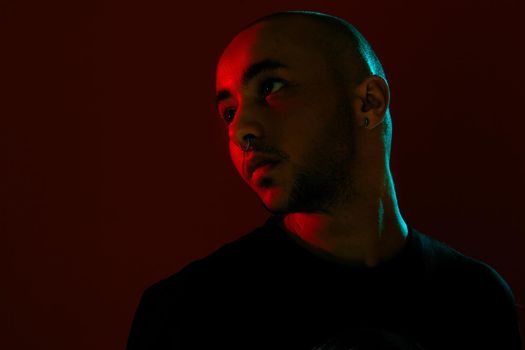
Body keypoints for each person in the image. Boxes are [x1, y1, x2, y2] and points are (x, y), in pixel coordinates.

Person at [126, 11, 522, 350]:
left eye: (271, 87)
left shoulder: (477, 301)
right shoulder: (187, 312)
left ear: (369, 102)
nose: (241, 129)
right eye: (229, 112)